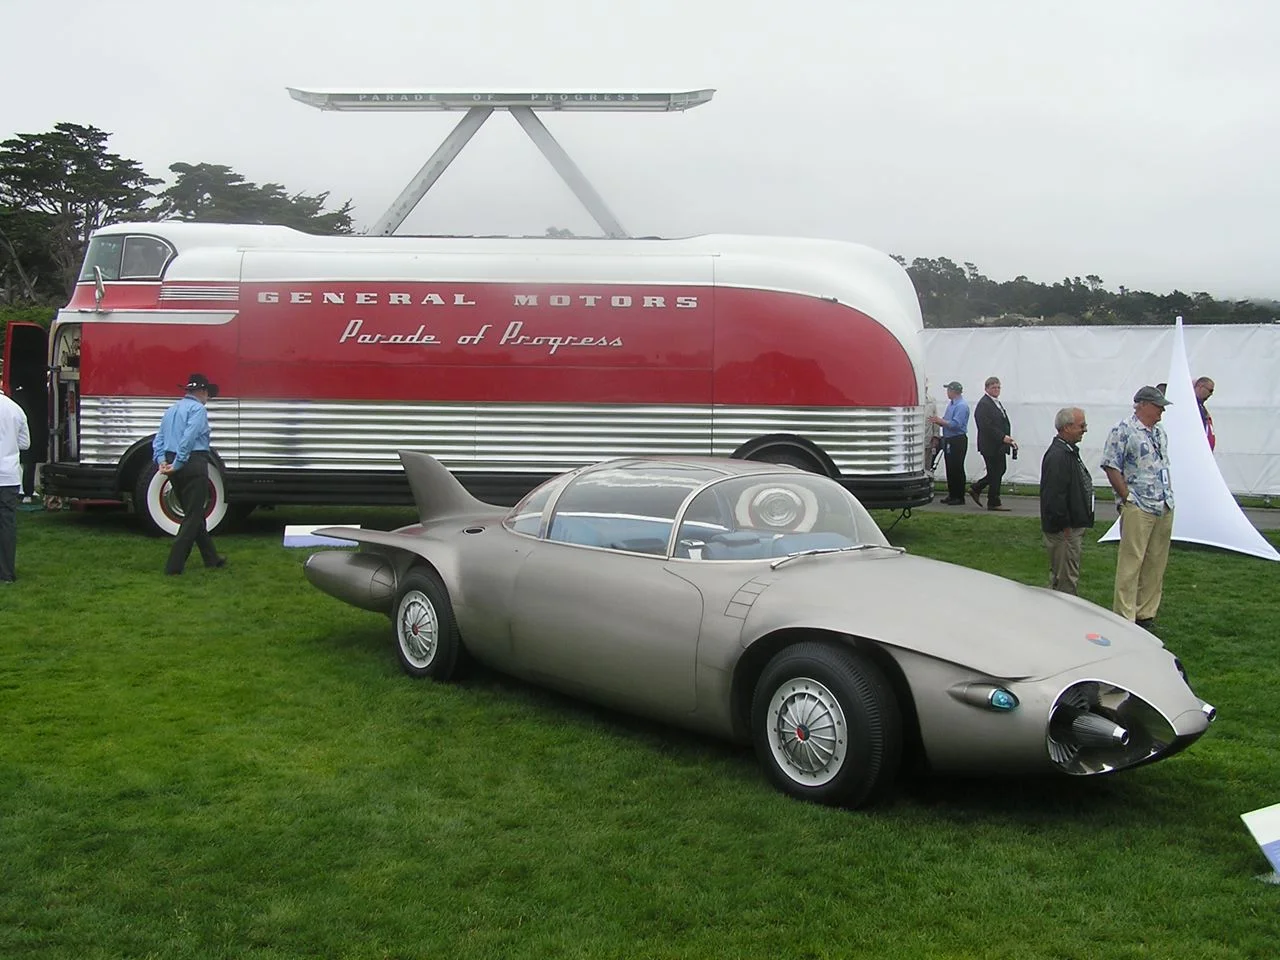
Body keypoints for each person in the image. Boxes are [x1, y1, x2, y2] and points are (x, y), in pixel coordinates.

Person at [1101, 386, 1174, 630]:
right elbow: (1111, 465)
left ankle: (1146, 613)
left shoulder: (1160, 432)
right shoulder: (1123, 430)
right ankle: (1124, 614)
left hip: (1163, 503)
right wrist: (1126, 497)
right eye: (1158, 406)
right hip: (1138, 504)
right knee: (1132, 561)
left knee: (1156, 561)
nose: (1162, 411)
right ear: (1142, 404)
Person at [152, 373, 226, 576]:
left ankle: (212, 558)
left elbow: (158, 439)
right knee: (193, 516)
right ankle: (174, 565)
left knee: (194, 511)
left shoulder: (171, 410)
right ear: (201, 392)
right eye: (207, 393)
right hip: (192, 462)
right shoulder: (198, 410)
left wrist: (162, 462)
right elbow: (189, 438)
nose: (207, 397)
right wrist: (178, 463)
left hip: (172, 461)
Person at [1039, 407, 1094, 594]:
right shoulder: (1059, 456)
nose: (1085, 429)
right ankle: (1063, 617)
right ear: (1067, 427)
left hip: (1067, 528)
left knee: (1064, 575)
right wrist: (1065, 526)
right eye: (1082, 425)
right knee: (1065, 579)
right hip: (1063, 531)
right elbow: (1054, 496)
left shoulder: (1067, 452)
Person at [970, 375, 1017, 511]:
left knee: (999, 470)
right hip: (990, 445)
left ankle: (977, 488)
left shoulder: (996, 403)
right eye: (993, 387)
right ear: (986, 389)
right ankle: (994, 501)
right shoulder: (984, 404)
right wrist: (1002, 437)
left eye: (998, 387)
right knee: (996, 471)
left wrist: (1008, 439)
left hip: (999, 445)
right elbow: (986, 426)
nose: (996, 389)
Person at [0, 388, 32, 583]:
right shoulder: (15, 409)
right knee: (7, 525)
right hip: (9, 476)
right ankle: (6, 573)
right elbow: (25, 443)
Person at [928, 381, 970, 504]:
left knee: (957, 468)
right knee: (950, 467)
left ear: (953, 391)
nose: (947, 392)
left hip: (957, 439)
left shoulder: (961, 406)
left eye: (948, 390)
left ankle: (959, 496)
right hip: (949, 439)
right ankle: (952, 494)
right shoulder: (951, 405)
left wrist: (939, 421)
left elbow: (955, 424)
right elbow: (947, 420)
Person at [922, 379, 942, 478]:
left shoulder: (931, 401)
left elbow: (935, 420)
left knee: (927, 464)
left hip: (927, 438)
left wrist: (936, 436)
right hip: (913, 440)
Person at [1194, 377, 1215, 450]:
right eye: (1210, 390)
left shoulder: (1201, 407)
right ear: (1200, 387)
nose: (1211, 394)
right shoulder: (1193, 406)